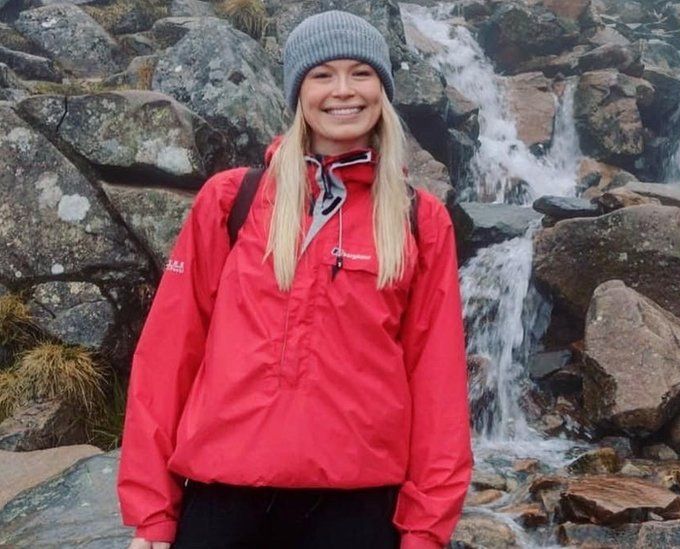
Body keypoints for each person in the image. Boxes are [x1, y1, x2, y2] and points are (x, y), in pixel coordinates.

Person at [117, 10, 473, 549]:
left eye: (362, 73)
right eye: (322, 75)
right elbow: (168, 356)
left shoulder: (419, 221)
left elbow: (437, 380)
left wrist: (426, 528)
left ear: (383, 88)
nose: (344, 91)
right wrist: (152, 510)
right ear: (297, 91)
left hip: (356, 509)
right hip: (222, 499)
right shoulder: (231, 200)